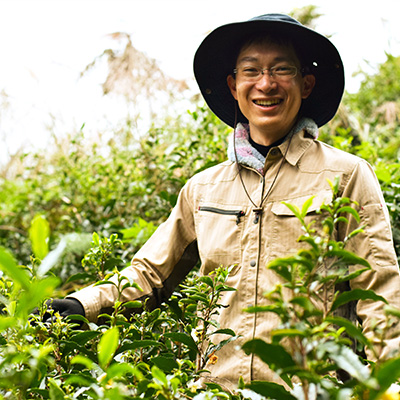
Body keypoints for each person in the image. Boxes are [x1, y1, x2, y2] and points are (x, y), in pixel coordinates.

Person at [45, 14, 400, 386]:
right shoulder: (203, 189)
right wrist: (82, 305)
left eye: (281, 69)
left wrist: (388, 385)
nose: (266, 84)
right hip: (217, 391)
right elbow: (150, 276)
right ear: (233, 85)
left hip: (309, 391)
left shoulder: (346, 175)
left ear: (306, 84)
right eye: (251, 71)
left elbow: (381, 295)